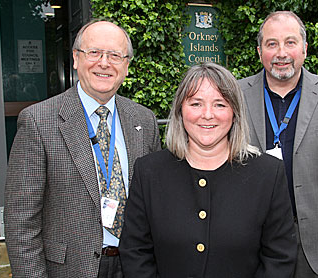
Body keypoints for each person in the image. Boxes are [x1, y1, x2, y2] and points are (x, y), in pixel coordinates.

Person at [4, 19, 161, 278]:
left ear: (127, 65)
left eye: (114, 55)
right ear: (76, 58)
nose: (104, 63)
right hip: (71, 269)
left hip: (136, 265)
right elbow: (21, 222)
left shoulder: (143, 120)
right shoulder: (38, 121)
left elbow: (156, 203)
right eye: (94, 52)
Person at [119, 62, 297, 277]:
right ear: (180, 111)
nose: (207, 114)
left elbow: (279, 258)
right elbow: (135, 253)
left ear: (235, 113)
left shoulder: (268, 174)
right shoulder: (149, 172)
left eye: (220, 104)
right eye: (196, 103)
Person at [238, 11, 318, 278]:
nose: (281, 52)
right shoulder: (235, 94)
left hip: (310, 232)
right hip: (249, 231)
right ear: (259, 51)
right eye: (272, 44)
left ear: (304, 48)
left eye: (290, 42)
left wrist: (311, 194)